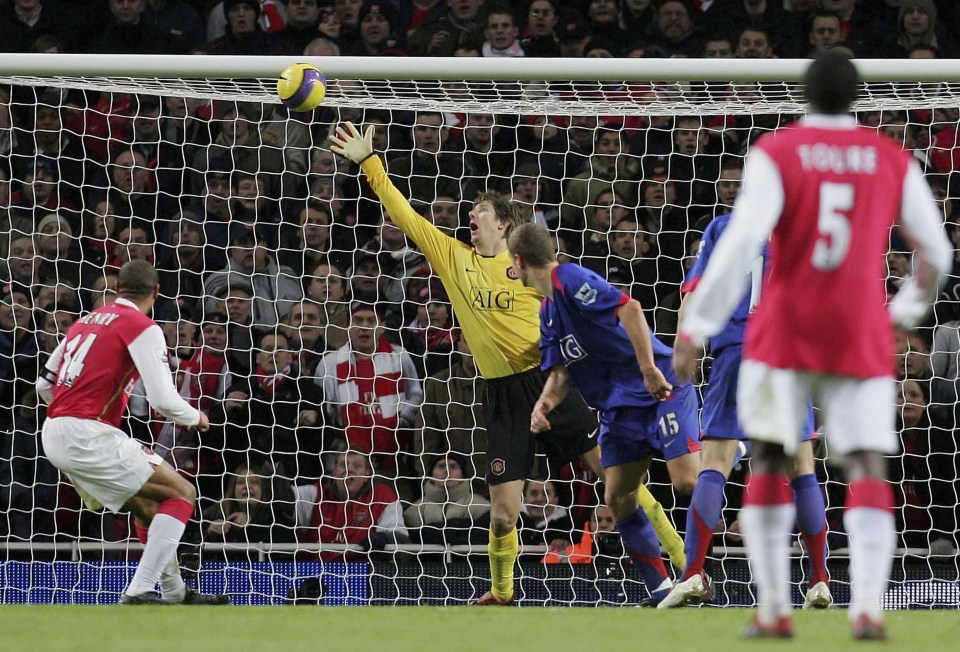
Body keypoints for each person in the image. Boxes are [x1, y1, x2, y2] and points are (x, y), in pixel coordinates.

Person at [673, 52, 952, 640]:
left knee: (769, 459)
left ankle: (774, 609)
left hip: (782, 334)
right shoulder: (891, 158)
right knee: (866, 463)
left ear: (804, 95)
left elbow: (742, 239)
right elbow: (936, 253)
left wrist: (696, 327)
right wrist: (901, 312)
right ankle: (868, 609)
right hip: (858, 331)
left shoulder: (776, 153)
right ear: (858, 98)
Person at [330, 122, 600, 606]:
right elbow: (405, 215)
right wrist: (368, 162)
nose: (470, 217)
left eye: (479, 213)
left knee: (614, 475)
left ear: (504, 223)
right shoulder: (455, 259)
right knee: (502, 511)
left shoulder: (528, 266)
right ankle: (502, 593)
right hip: (498, 393)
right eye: (469, 212)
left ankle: (680, 562)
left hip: (547, 382)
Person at [507, 222, 701, 605]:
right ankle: (662, 588)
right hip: (620, 408)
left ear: (518, 261)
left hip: (660, 389)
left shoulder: (569, 277)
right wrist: (544, 404)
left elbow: (630, 308)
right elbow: (562, 372)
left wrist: (647, 368)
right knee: (618, 496)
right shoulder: (547, 313)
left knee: (687, 483)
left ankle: (699, 571)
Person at [658, 211, 832, 611]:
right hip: (787, 355)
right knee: (802, 465)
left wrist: (685, 349)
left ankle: (693, 575)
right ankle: (820, 580)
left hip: (737, 351)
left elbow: (694, 293)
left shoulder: (722, 227)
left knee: (715, 461)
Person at [34, 260, 228, 605]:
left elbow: (43, 385)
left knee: (147, 506)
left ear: (118, 289)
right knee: (182, 492)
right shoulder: (142, 326)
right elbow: (163, 400)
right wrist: (197, 416)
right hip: (86, 432)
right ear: (156, 292)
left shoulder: (82, 323)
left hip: (55, 431)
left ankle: (174, 592)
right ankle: (138, 591)